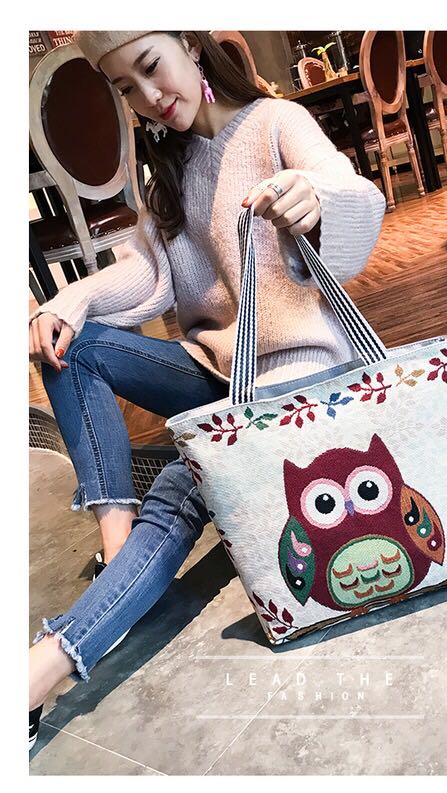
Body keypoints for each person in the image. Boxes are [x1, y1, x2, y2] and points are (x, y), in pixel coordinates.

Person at [28, 30, 386, 751]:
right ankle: (119, 546)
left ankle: (38, 673)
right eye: (126, 88)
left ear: (191, 47)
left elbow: (356, 194)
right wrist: (73, 299)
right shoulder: (168, 166)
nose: (149, 97)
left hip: (296, 378)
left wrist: (315, 198)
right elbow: (148, 272)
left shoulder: (276, 123)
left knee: (186, 482)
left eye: (151, 66)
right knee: (70, 344)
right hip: (216, 368)